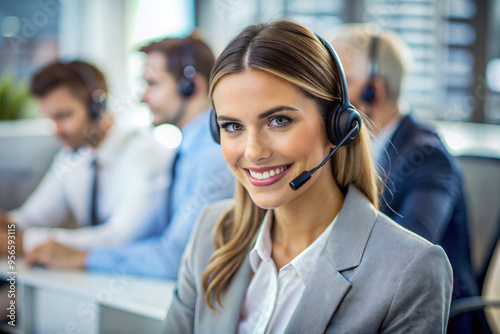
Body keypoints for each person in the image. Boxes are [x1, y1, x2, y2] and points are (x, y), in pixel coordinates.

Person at [163, 21, 453, 333]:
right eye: (233, 126)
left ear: (336, 127)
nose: (252, 151)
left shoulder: (410, 271)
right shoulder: (212, 232)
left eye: (279, 120)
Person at [23, 34, 235, 279]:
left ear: (191, 87)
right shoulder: (189, 151)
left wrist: (83, 257)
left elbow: (175, 258)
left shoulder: (212, 157)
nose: (142, 97)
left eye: (153, 84)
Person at [332, 25, 481, 333]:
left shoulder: (429, 158)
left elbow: (407, 253)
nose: (331, 96)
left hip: (431, 317)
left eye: (342, 83)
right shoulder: (354, 147)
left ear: (375, 90)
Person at [0, 61, 169, 254]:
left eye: (63, 116)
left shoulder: (145, 154)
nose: (56, 131)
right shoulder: (72, 155)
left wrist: (27, 242)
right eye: (50, 118)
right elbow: (32, 218)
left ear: (96, 107)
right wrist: (7, 223)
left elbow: (120, 238)